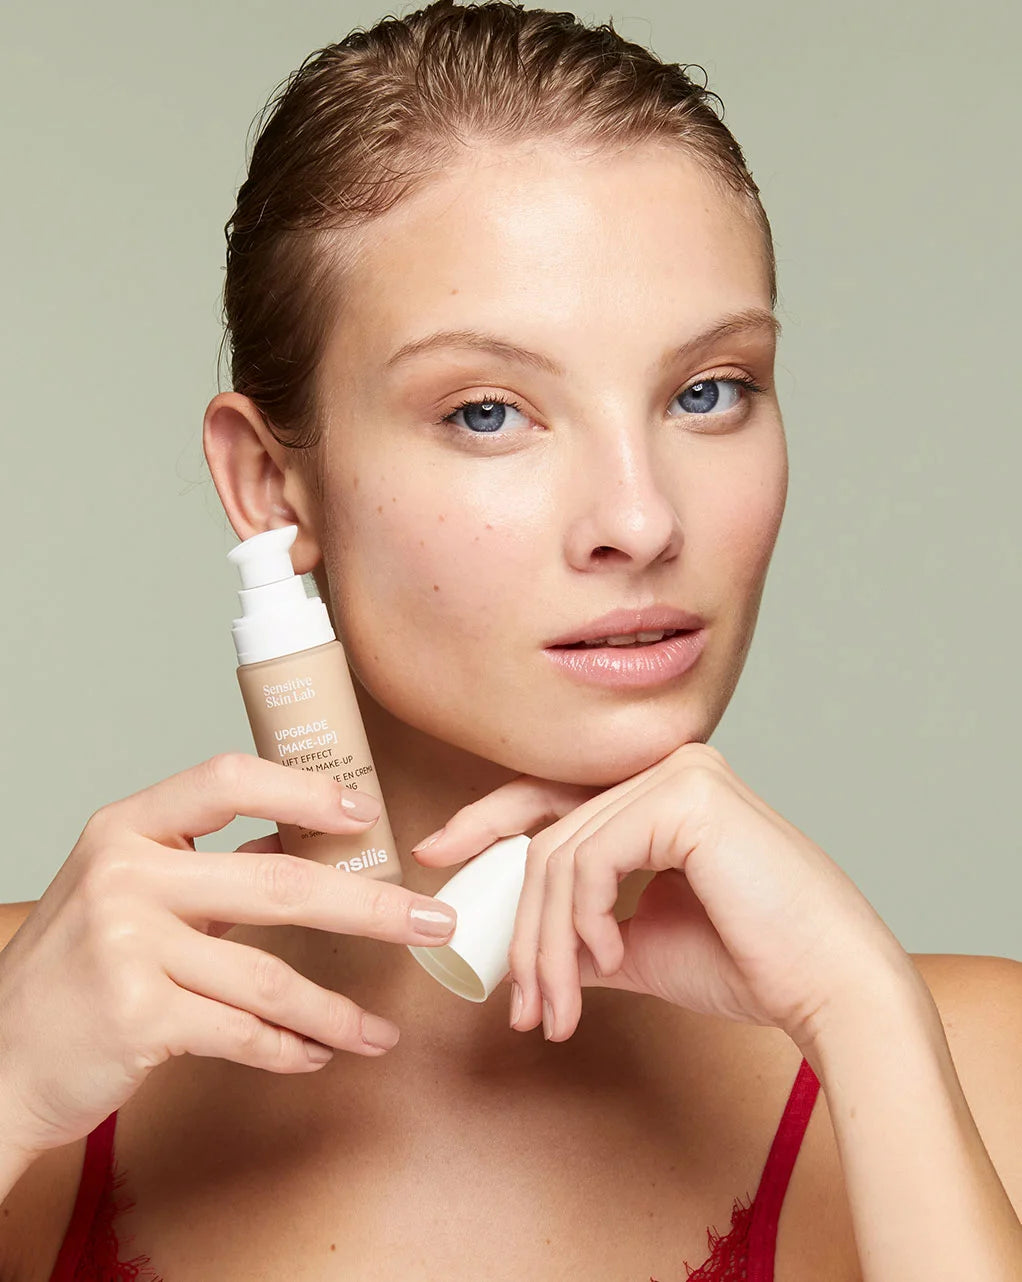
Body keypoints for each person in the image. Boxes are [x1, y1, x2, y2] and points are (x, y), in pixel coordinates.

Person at [1, 3, 1019, 1279]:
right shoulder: (32, 1017)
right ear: (269, 485)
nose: (639, 520)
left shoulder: (965, 1063)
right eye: (488, 411)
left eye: (707, 391)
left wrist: (860, 1011)